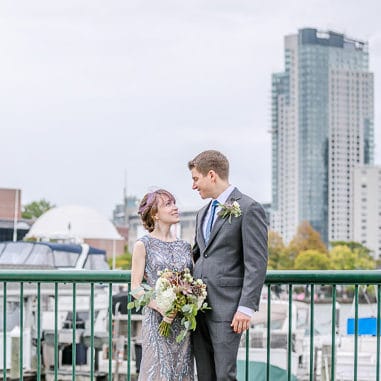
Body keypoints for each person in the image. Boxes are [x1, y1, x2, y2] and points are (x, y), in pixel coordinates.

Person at [188, 150, 268, 381]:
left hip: (228, 309)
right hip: (197, 309)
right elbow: (198, 255)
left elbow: (257, 262)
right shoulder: (202, 213)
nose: (194, 186)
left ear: (211, 175)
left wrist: (246, 307)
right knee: (204, 374)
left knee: (224, 375)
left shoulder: (249, 208)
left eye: (196, 179)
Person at [130, 189, 194, 381]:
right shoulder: (143, 245)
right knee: (157, 372)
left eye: (174, 203)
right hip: (157, 321)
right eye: (168, 204)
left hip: (182, 325)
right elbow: (135, 287)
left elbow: (191, 282)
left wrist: (190, 297)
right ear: (155, 214)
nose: (175, 207)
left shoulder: (185, 246)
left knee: (182, 370)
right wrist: (160, 306)